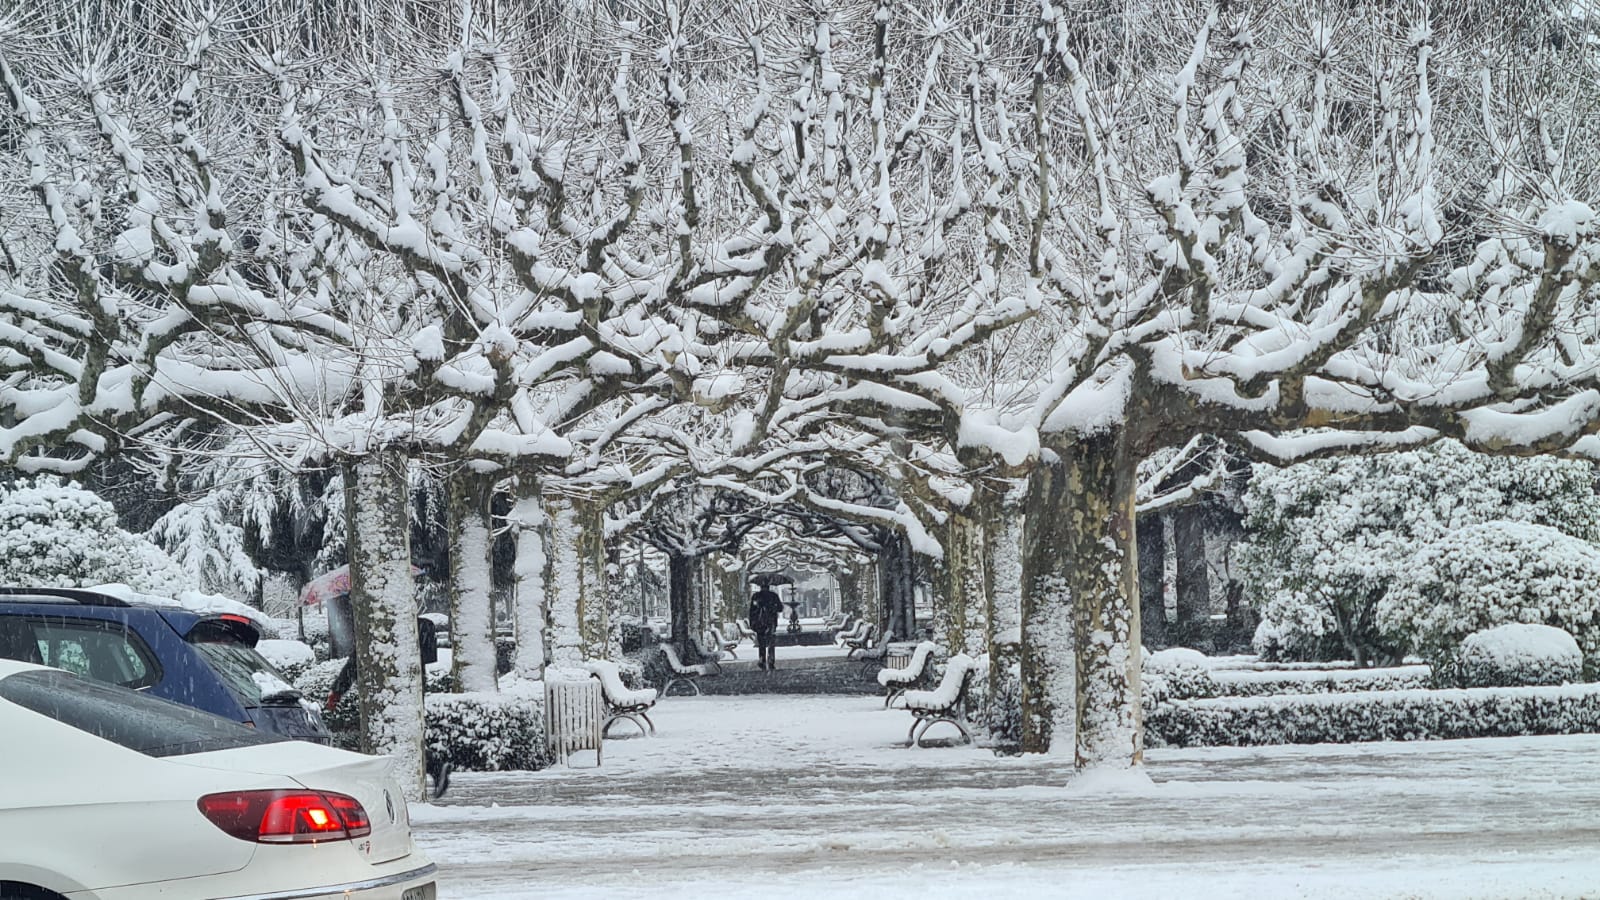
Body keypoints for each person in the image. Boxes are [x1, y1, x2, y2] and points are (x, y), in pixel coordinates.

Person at [326, 614, 452, 798]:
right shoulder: (414, 628)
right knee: (404, 735)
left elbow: (356, 661)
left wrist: (338, 690)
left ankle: (432, 766)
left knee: (390, 738)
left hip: (386, 692)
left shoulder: (380, 629)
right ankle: (434, 765)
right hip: (411, 690)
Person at [748, 584, 784, 671]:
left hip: (759, 622)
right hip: (771, 622)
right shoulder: (773, 596)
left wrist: (752, 622)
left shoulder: (756, 596)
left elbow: (752, 610)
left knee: (761, 643)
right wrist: (772, 608)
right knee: (771, 642)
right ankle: (770, 661)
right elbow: (780, 608)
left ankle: (762, 660)